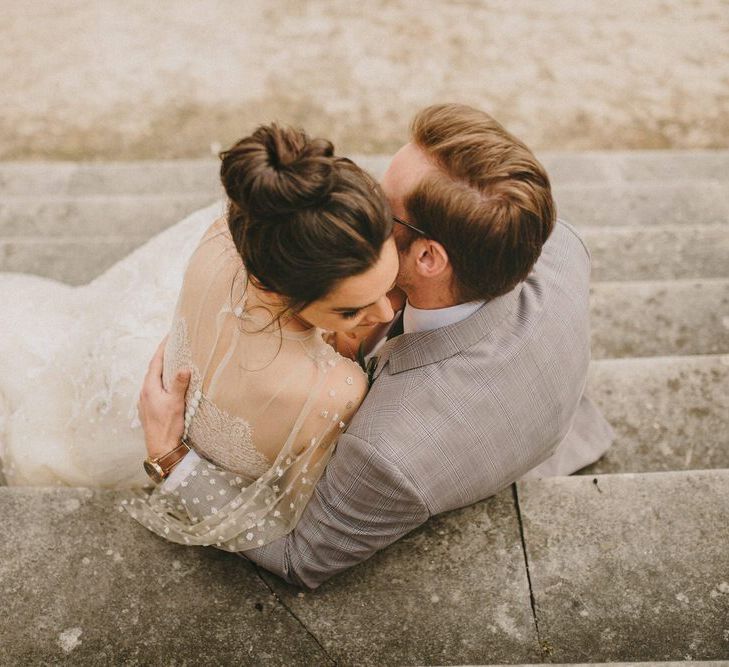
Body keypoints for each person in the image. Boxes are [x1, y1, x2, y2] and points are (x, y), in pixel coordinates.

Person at [139, 103, 614, 589]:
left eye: (384, 208)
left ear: (429, 256)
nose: (365, 206)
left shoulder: (390, 452)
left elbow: (301, 558)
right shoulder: (555, 241)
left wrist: (171, 459)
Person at [0, 116, 398, 548]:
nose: (385, 311)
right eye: (352, 309)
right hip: (144, 448)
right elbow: (283, 526)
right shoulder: (333, 390)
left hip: (117, 402)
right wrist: (171, 459)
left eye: (389, 284)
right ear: (275, 286)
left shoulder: (230, 231)